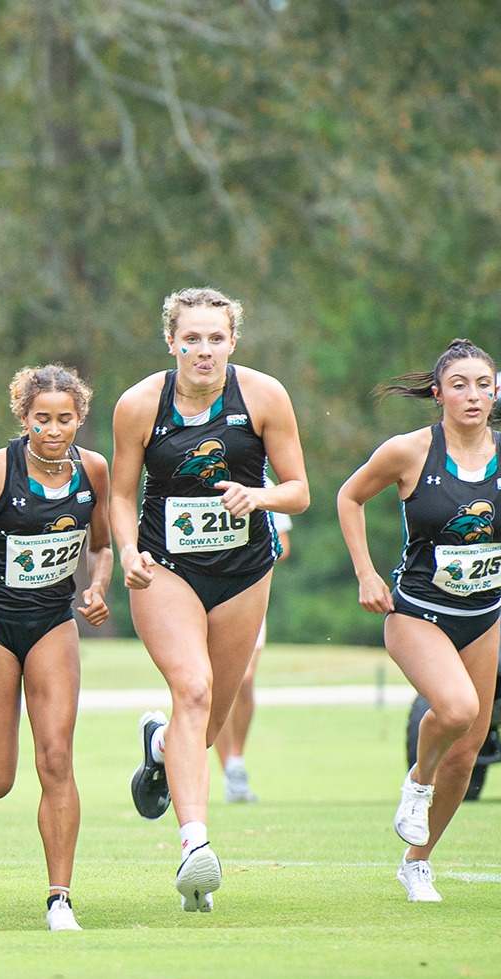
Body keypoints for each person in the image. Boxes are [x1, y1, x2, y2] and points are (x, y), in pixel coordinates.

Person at [112, 287, 309, 914]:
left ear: (233, 342)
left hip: (245, 572)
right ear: (171, 342)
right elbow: (121, 494)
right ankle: (194, 848)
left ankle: (159, 746)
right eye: (191, 338)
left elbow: (299, 490)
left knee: (205, 726)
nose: (204, 350)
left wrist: (260, 497)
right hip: (165, 569)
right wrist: (125, 550)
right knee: (192, 691)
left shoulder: (264, 397)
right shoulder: (140, 404)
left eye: (216, 338)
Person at [337, 339, 501, 902]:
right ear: (438, 394)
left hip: (482, 617)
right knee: (457, 709)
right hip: (417, 613)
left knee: (466, 752)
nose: (472, 395)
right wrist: (365, 573)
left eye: (483, 385)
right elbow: (349, 497)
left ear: (495, 393)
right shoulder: (409, 451)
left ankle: (417, 863)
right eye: (459, 385)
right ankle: (417, 783)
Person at [0, 366, 110, 930]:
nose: (53, 430)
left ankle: (60, 898)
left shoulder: (94, 470)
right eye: (42, 419)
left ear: (79, 419)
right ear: (24, 417)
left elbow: (101, 545)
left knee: (56, 757)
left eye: (65, 419)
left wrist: (98, 587)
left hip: (53, 622)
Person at [215, 511, 292, 804]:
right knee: (213, 687)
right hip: (206, 591)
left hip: (246, 592)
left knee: (244, 680)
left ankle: (236, 759)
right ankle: (230, 771)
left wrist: (248, 552)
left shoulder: (264, 489)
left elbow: (283, 544)